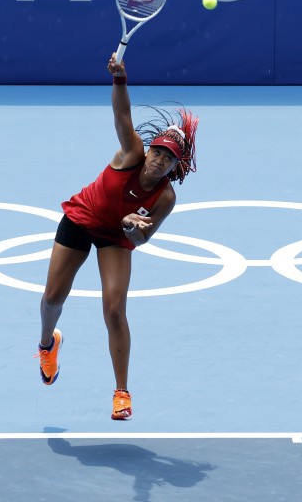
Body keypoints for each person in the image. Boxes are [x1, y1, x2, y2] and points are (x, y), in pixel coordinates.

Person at [35, 53, 198, 420]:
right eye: (158, 151)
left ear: (176, 166)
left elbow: (142, 241)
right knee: (53, 297)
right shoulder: (131, 153)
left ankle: (121, 392)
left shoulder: (165, 198)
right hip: (82, 218)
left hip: (115, 235)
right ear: (149, 149)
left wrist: (131, 228)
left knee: (114, 309)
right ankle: (47, 344)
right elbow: (122, 115)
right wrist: (120, 79)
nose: (159, 160)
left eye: (168, 158)